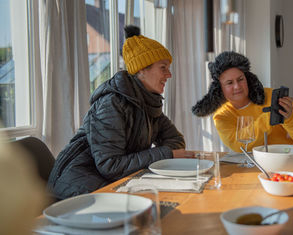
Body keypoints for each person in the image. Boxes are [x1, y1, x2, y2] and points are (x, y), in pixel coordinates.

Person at [48, 26, 193, 200]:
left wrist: (165, 153)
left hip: (111, 182)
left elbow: (176, 141)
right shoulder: (111, 104)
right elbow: (110, 165)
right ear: (141, 69)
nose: (169, 75)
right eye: (163, 68)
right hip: (78, 187)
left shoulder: (148, 102)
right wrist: (166, 154)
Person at [192, 51, 293, 153]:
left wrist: (290, 119)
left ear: (247, 79)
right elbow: (241, 146)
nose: (237, 86)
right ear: (220, 88)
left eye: (240, 79)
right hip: (266, 168)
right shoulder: (222, 116)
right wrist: (272, 116)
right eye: (229, 83)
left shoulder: (271, 96)